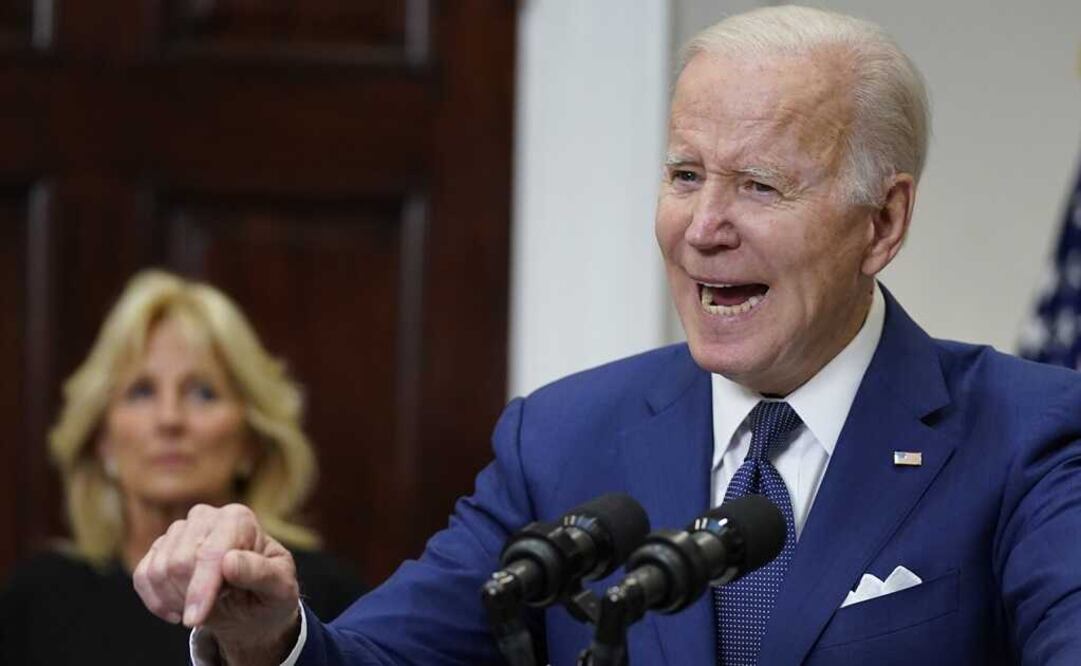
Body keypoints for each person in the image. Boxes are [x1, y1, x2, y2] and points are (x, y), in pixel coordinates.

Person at [136, 6, 1081, 666]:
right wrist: (270, 638)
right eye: (684, 175)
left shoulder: (1025, 438)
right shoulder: (562, 439)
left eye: (758, 185)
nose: (702, 227)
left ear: (881, 223)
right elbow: (384, 657)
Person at [0, 270, 365, 666]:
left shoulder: (318, 600)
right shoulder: (35, 601)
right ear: (102, 438)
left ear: (251, 440)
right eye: (141, 391)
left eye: (203, 393)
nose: (170, 419)